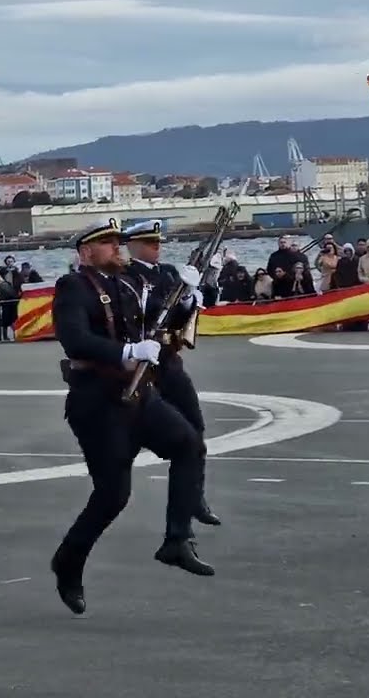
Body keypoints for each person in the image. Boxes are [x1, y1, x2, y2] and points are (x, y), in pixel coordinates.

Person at [48, 216, 213, 616]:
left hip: (139, 394)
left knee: (189, 444)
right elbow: (75, 338)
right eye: (108, 244)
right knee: (112, 497)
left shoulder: (124, 283)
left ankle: (177, 539)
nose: (118, 248)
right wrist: (126, 353)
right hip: (97, 402)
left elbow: (159, 316)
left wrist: (188, 297)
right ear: (87, 253)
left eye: (117, 242)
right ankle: (68, 561)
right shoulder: (74, 286)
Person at [123, 220, 222, 527]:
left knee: (196, 427)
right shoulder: (126, 276)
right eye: (151, 242)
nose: (157, 247)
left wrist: (194, 293)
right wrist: (179, 293)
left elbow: (180, 316)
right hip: (142, 363)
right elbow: (147, 311)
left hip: (169, 359)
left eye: (158, 242)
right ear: (134, 245)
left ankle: (195, 497)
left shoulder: (167, 272)